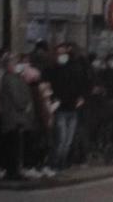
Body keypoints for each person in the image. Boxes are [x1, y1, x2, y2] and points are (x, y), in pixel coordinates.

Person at [46, 42, 84, 170]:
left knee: (68, 141)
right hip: (60, 109)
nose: (61, 56)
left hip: (72, 108)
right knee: (60, 139)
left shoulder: (74, 68)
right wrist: (52, 99)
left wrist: (80, 97)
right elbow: (47, 87)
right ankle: (55, 164)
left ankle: (61, 164)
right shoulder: (52, 70)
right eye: (59, 53)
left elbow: (80, 85)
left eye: (63, 53)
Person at [0, 53, 30, 181]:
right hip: (13, 117)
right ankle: (13, 172)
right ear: (9, 65)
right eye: (15, 63)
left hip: (14, 116)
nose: (18, 66)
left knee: (14, 145)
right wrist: (24, 104)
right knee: (13, 146)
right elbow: (17, 97)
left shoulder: (14, 77)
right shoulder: (10, 79)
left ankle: (14, 171)